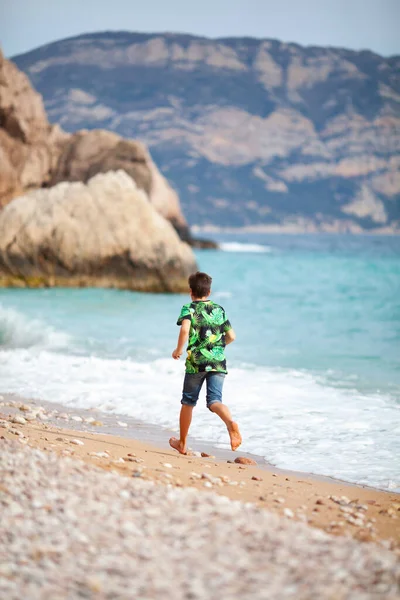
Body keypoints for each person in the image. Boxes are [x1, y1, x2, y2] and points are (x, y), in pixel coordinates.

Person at [169, 271, 242, 455]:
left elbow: (185, 330)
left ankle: (183, 443)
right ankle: (230, 423)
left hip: (196, 363)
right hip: (218, 362)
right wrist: (216, 347)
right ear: (209, 293)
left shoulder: (189, 308)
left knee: (188, 401)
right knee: (215, 401)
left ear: (190, 291)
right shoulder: (219, 309)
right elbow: (232, 336)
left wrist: (178, 350)